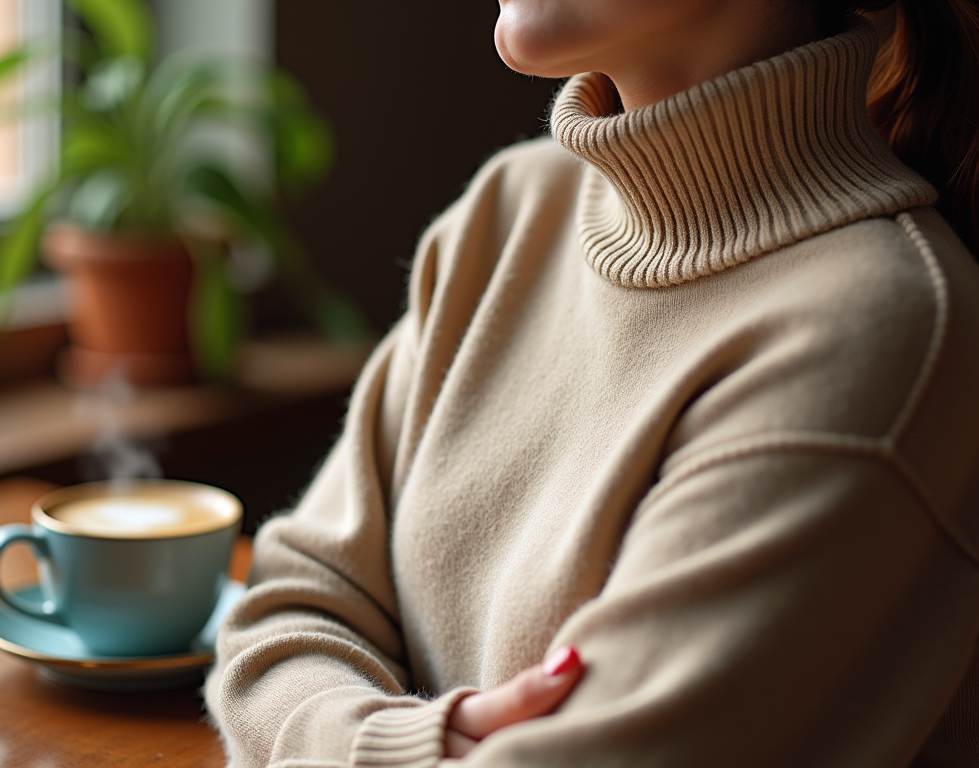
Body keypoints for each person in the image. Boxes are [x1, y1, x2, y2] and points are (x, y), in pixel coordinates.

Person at [205, 0, 979, 765]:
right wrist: (390, 745)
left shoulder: (878, 327)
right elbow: (285, 611)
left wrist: (319, 731)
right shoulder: (507, 213)